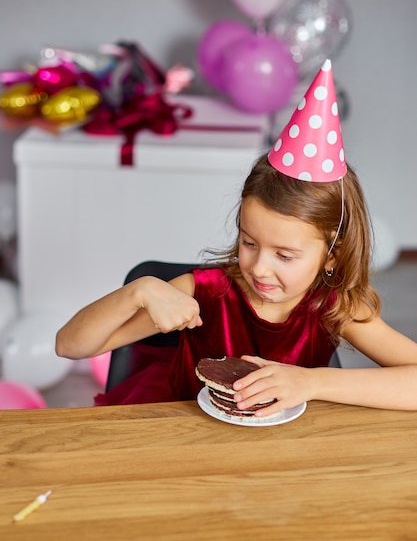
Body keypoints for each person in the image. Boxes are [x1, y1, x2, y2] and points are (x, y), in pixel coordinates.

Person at [56, 61, 417, 413]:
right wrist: (139, 290)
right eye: (249, 243)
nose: (259, 268)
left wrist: (312, 382)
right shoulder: (204, 294)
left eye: (285, 255)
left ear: (332, 256)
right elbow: (69, 345)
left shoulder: (335, 307)